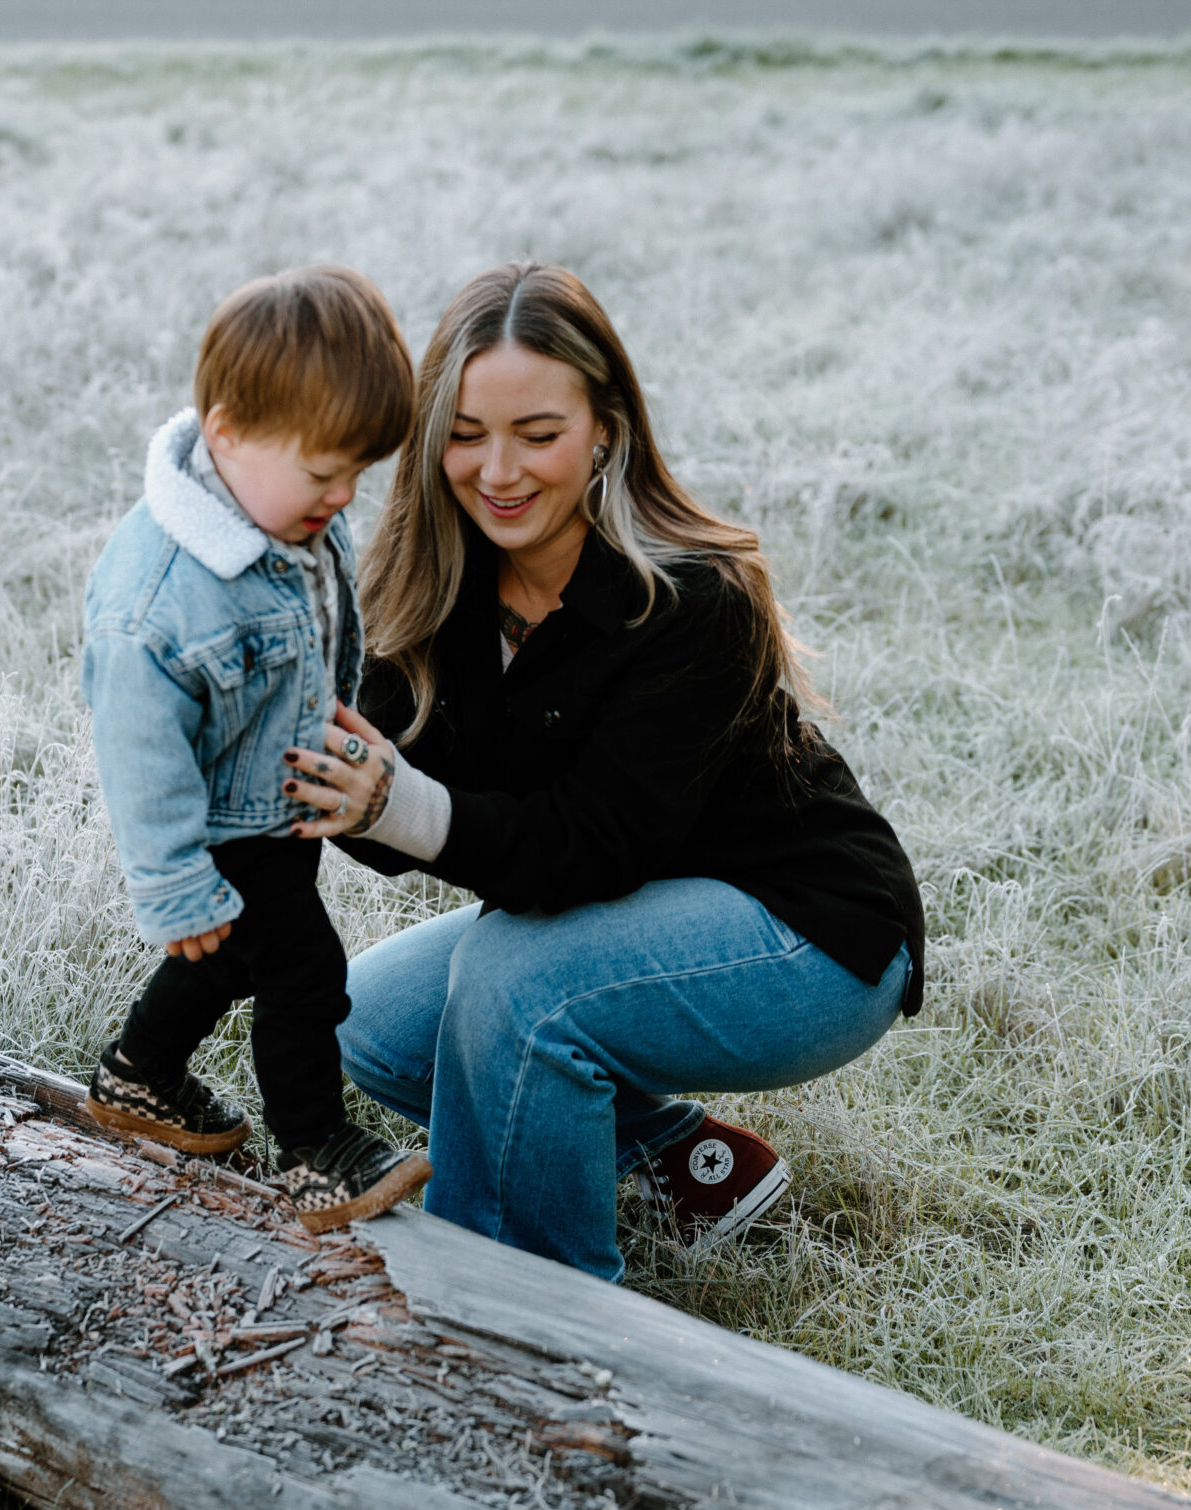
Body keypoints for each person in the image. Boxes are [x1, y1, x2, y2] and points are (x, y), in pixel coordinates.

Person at [281, 262, 927, 1282]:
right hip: (637, 903)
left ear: (605, 431)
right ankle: (674, 1152)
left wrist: (395, 801)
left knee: (514, 984)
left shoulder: (692, 595)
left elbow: (584, 848)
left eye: (537, 434)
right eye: (464, 432)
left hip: (809, 933)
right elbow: (395, 803)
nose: (497, 471)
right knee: (368, 1019)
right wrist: (297, 760)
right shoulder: (438, 584)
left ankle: (531, 1325)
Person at [80, 264, 434, 1232]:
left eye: (356, 473)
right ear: (228, 431)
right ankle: (315, 1147)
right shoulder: (159, 597)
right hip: (222, 820)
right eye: (324, 473)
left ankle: (138, 1073)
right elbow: (138, 748)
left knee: (225, 957)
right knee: (302, 965)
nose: (343, 495)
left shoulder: (281, 510)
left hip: (274, 801)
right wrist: (172, 882)